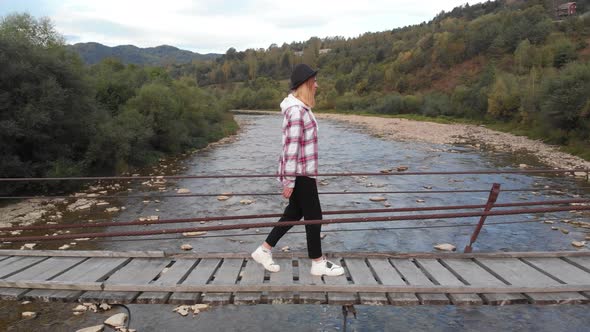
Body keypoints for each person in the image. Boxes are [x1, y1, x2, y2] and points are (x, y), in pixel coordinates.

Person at [251, 64, 344, 277]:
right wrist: (289, 182)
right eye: (314, 82)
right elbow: (291, 148)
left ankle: (264, 250)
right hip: (301, 173)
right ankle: (318, 262)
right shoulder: (295, 111)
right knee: (314, 216)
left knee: (294, 213)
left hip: (304, 172)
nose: (317, 85)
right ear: (305, 84)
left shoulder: (301, 109)